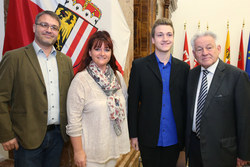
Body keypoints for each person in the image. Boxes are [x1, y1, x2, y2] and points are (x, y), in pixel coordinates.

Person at [0, 10, 74, 166]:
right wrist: (6, 135)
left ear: (58, 32)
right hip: (26, 138)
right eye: (44, 25)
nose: (49, 30)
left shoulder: (66, 61)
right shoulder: (14, 58)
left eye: (54, 27)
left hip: (58, 137)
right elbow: (1, 98)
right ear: (34, 27)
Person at [127, 18, 189, 167]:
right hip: (148, 136)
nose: (165, 39)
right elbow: (133, 102)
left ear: (173, 38)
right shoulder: (139, 66)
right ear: (153, 39)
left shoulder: (184, 69)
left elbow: (186, 105)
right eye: (160, 35)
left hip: (174, 137)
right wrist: (133, 134)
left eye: (169, 34)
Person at [66, 30, 130, 167]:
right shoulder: (80, 81)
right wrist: (78, 152)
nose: (102, 53)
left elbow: (126, 105)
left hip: (112, 149)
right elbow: (73, 121)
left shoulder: (117, 77)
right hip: (91, 154)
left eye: (107, 49)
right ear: (89, 52)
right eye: (97, 49)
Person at [186, 31, 250, 167]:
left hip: (223, 152)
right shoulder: (191, 76)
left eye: (209, 47)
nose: (204, 52)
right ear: (194, 53)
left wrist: (244, 154)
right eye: (199, 49)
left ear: (218, 49)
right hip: (194, 149)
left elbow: (245, 119)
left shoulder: (237, 76)